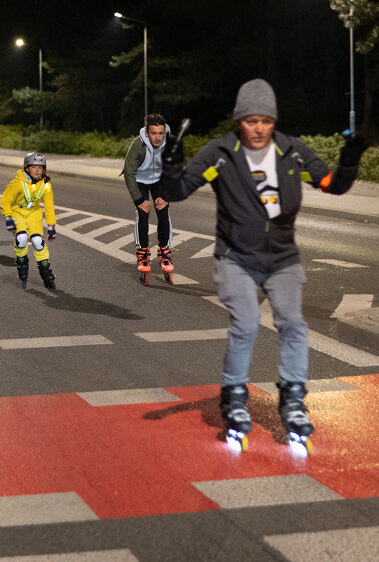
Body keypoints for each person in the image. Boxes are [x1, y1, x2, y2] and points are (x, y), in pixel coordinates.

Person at [159, 79, 366, 451]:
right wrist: (170, 164)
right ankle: (235, 398)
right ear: (240, 121)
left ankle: (293, 399)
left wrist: (349, 158)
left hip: (282, 257)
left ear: (274, 122)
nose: (258, 129)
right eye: (251, 121)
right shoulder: (220, 154)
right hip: (236, 257)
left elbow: (332, 183)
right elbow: (177, 192)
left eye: (265, 121)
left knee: (293, 325)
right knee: (247, 323)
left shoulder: (292, 152)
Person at [121, 112, 174, 281]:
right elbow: (129, 173)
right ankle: (142, 253)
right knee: (142, 214)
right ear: (146, 132)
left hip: (160, 180)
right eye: (153, 133)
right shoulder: (138, 145)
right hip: (140, 180)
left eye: (160, 133)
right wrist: (139, 200)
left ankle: (164, 251)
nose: (157, 137)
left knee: (164, 212)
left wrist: (166, 196)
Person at [0, 152, 57, 289]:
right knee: (22, 238)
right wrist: (8, 217)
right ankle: (22, 263)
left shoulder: (46, 185)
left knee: (38, 241)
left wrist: (51, 226)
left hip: (34, 213)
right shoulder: (18, 183)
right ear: (26, 168)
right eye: (33, 167)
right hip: (17, 212)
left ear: (44, 170)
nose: (37, 170)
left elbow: (49, 207)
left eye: (40, 167)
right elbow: (6, 201)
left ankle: (45, 271)